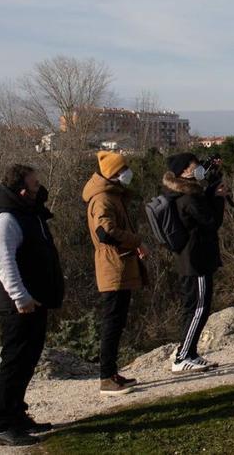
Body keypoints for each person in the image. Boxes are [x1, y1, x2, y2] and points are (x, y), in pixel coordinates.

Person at [0, 164, 64, 447]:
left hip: (34, 301)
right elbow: (3, 263)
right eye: (34, 185)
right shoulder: (5, 219)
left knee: (28, 361)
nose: (38, 189)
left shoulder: (26, 213)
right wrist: (20, 297)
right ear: (21, 190)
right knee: (15, 363)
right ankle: (3, 425)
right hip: (18, 305)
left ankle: (17, 415)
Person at [82, 150, 146, 395]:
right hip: (113, 266)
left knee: (117, 323)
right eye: (124, 168)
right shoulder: (103, 199)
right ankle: (106, 377)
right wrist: (136, 240)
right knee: (112, 322)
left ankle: (112, 373)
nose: (128, 172)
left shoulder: (112, 195)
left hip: (120, 264)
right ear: (114, 173)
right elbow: (105, 232)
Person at [162, 153, 226, 372]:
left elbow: (203, 210)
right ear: (184, 172)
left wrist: (211, 187)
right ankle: (183, 356)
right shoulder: (189, 197)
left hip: (191, 259)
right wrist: (217, 198)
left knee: (193, 307)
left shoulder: (183, 192)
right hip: (196, 260)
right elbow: (211, 221)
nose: (198, 168)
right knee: (199, 308)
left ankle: (189, 352)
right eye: (194, 166)